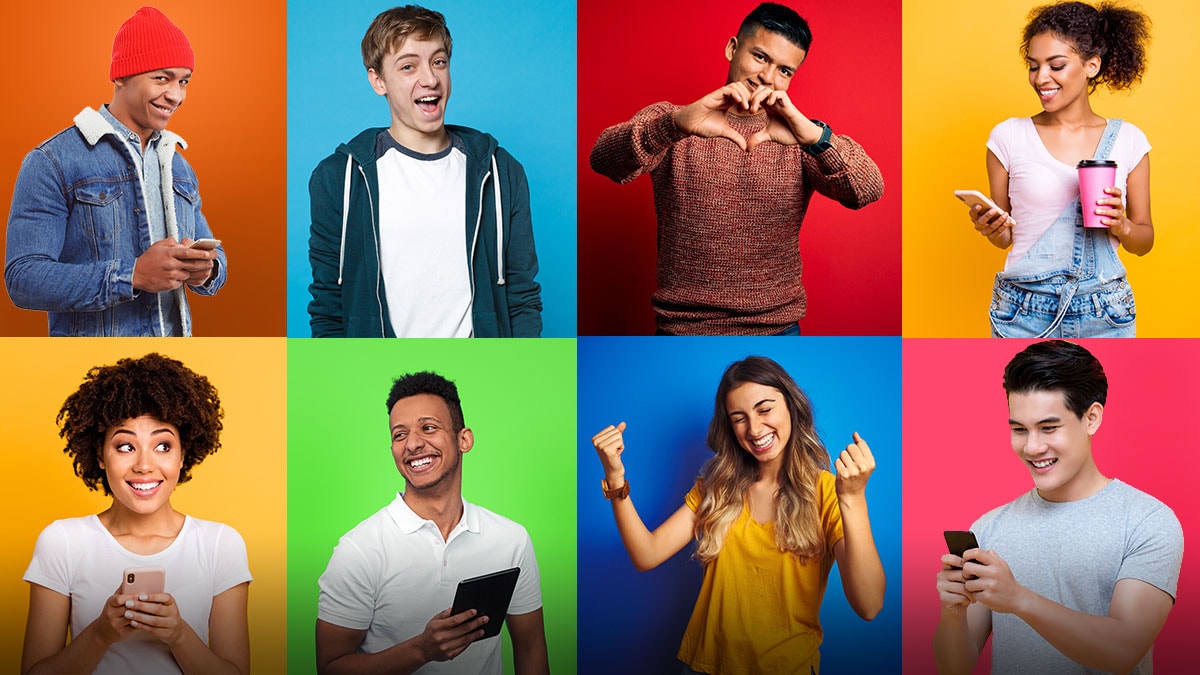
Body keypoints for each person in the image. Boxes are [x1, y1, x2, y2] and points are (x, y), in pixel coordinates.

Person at [588, 3, 883, 336]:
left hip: (777, 329)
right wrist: (675, 124)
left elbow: (867, 189)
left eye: (785, 71)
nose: (768, 77)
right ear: (732, 48)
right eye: (760, 57)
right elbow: (603, 160)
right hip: (681, 330)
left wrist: (814, 136)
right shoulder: (673, 121)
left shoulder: (799, 138)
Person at [590, 356, 885, 674]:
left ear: (792, 407)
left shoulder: (827, 491)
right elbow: (646, 554)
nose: (755, 428)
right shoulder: (715, 489)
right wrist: (616, 478)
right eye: (739, 417)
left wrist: (852, 498)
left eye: (765, 408)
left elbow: (868, 605)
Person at [933, 340, 1183, 674]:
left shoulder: (1147, 522)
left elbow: (1124, 649)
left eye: (1049, 428)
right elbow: (955, 668)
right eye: (1019, 430)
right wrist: (953, 613)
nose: (1032, 447)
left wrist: (1019, 599)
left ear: (1091, 418)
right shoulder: (990, 527)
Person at [307, 5, 542, 338]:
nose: (430, 79)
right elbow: (328, 304)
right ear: (378, 80)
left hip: (482, 370)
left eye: (438, 62)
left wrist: (520, 372)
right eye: (408, 66)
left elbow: (522, 296)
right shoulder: (338, 178)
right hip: (376, 370)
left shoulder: (500, 171)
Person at [21, 353, 251, 674]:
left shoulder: (221, 544)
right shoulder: (62, 541)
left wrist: (179, 635)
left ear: (183, 455)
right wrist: (101, 634)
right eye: (125, 446)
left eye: (163, 446)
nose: (144, 465)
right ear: (101, 455)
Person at [4, 6, 226, 337]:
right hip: (93, 368)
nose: (175, 95)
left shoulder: (177, 165)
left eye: (184, 81)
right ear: (121, 75)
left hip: (172, 364)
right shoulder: (52, 161)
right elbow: (24, 279)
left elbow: (214, 258)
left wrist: (206, 270)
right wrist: (132, 275)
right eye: (161, 78)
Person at [315, 371, 549, 674]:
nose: (412, 444)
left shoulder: (511, 539)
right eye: (399, 435)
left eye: (428, 427)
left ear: (464, 439)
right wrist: (422, 649)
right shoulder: (359, 550)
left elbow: (530, 647)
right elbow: (330, 667)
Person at [968, 1, 1153, 337]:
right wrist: (993, 228)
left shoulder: (1128, 140)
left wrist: (1122, 225)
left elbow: (1144, 240)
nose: (1041, 78)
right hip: (1022, 312)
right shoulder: (1007, 137)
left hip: (1106, 311)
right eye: (1033, 66)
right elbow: (1008, 236)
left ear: (1091, 65)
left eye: (1056, 65)